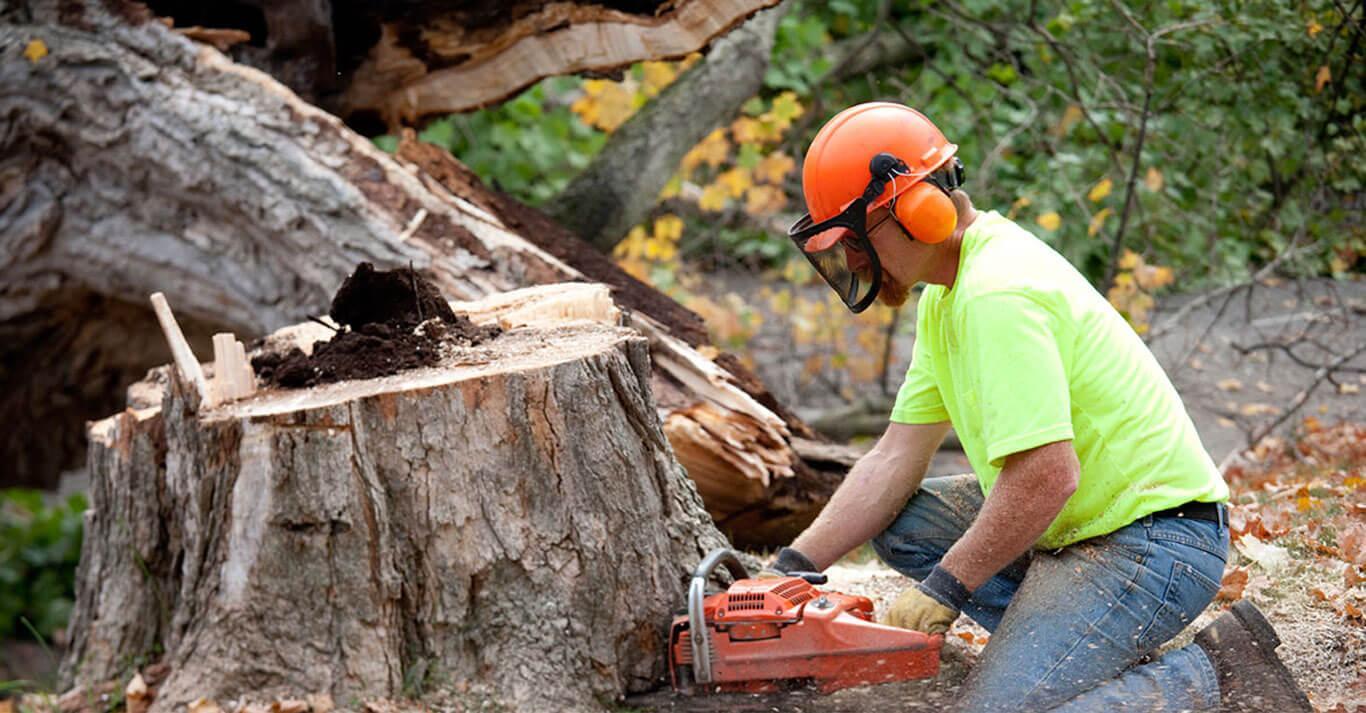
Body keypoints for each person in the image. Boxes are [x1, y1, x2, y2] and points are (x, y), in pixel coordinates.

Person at [772, 102, 1312, 712]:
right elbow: (894, 457)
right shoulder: (946, 295)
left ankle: (1217, 674)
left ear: (915, 211)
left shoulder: (996, 292)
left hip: (1155, 541)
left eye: (857, 242)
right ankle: (1069, 651)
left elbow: (1047, 475)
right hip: (1082, 524)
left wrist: (948, 587)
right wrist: (792, 567)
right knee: (906, 522)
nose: (857, 264)